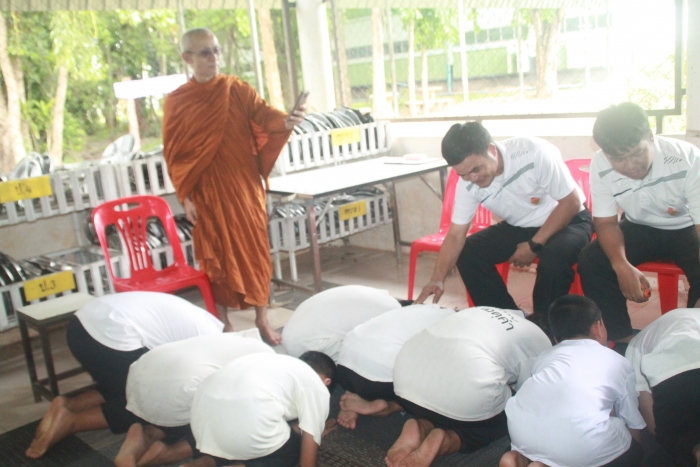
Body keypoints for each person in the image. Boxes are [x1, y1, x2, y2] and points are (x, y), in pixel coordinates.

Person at [162, 27, 305, 345]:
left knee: (255, 254)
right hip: (207, 193)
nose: (213, 58)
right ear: (187, 58)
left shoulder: (235, 89)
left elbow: (263, 114)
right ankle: (222, 322)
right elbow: (175, 154)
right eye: (204, 52)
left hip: (243, 187)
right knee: (216, 258)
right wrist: (185, 197)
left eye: (215, 50)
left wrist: (286, 121)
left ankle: (262, 320)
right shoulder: (177, 103)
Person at [416, 121, 593, 317]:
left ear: (491, 150)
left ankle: (545, 327)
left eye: (476, 169)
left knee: (553, 261)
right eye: (463, 174)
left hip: (568, 219)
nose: (472, 179)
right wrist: (437, 279)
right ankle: (509, 319)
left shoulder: (532, 153)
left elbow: (571, 202)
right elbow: (456, 234)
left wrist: (534, 245)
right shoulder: (467, 182)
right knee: (469, 252)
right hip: (520, 225)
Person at [25, 291, 224, 459]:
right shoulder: (209, 345)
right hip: (111, 337)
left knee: (124, 381)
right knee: (152, 401)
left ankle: (68, 404)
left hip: (80, 325)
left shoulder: (209, 327)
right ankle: (72, 422)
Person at [578, 102, 700, 346]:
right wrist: (621, 266)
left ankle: (691, 342)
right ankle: (622, 341)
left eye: (636, 153)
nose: (631, 165)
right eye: (619, 159)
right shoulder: (601, 164)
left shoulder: (688, 159)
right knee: (593, 259)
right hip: (639, 227)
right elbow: (605, 223)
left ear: (651, 136)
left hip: (687, 228)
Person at [385, 306, 551, 467]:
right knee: (511, 416)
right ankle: (448, 439)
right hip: (460, 396)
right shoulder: (540, 342)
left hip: (404, 381)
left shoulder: (484, 310)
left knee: (451, 395)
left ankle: (423, 425)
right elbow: (528, 397)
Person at [501, 295, 646, 467]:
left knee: (558, 434)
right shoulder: (619, 362)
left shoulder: (546, 356)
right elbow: (632, 419)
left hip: (520, 432)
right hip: (580, 445)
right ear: (598, 327)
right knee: (623, 438)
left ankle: (523, 459)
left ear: (555, 338)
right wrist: (636, 450)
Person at [114, 331, 273, 467]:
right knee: (245, 422)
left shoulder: (235, 340)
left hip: (139, 374)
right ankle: (174, 451)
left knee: (185, 406)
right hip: (182, 389)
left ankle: (149, 434)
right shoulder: (268, 363)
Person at [182, 351, 336, 467]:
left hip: (200, 415)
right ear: (326, 381)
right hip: (245, 426)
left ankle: (202, 463)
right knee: (289, 453)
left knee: (247, 436)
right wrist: (313, 434)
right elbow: (307, 461)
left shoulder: (277, 361)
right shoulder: (317, 387)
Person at [335, 303, 454, 429]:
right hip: (377, 382)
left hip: (343, 365)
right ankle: (390, 406)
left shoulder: (415, 310)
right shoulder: (451, 323)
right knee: (437, 374)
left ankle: (351, 394)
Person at [625, 307, 700, 467]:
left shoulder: (635, 346)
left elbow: (649, 412)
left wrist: (669, 441)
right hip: (682, 375)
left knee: (677, 439)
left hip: (671, 379)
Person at [282, 285, 402, 361]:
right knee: (365, 359)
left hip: (291, 330)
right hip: (304, 345)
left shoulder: (385, 298)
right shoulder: (392, 316)